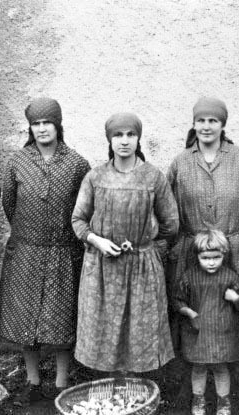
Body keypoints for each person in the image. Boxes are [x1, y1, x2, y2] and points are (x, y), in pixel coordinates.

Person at [166, 97, 239, 401]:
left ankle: (232, 387)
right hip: (192, 251)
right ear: (193, 124)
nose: (206, 126)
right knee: (191, 310)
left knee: (231, 311)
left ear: (223, 124)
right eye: (201, 120)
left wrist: (229, 236)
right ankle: (192, 385)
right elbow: (169, 209)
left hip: (233, 249)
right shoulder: (182, 161)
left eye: (213, 121)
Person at [0, 98, 90, 405]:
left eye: (46, 123)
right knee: (26, 319)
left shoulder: (77, 164)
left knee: (61, 317)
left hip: (64, 251)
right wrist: (29, 235)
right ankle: (33, 380)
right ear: (30, 128)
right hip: (26, 251)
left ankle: (62, 383)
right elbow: (9, 204)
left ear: (58, 125)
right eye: (35, 124)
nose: (41, 130)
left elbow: (82, 207)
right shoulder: (17, 162)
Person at [71, 112, 178, 373]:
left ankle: (137, 391)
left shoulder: (153, 177)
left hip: (141, 268)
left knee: (140, 328)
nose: (124, 141)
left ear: (138, 138)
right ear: (109, 139)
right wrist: (97, 241)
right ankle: (110, 390)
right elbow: (78, 220)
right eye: (118, 135)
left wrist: (146, 247)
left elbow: (171, 224)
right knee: (104, 328)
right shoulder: (95, 177)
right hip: (102, 269)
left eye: (130, 134)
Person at [172, 230, 239, 415]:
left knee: (221, 368)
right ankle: (198, 400)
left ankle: (224, 402)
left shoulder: (230, 277)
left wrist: (236, 297)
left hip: (222, 331)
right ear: (197, 256)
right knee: (199, 368)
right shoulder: (190, 277)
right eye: (205, 258)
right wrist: (188, 312)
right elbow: (178, 300)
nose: (211, 262)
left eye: (216, 257)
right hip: (197, 331)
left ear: (224, 255)